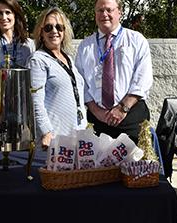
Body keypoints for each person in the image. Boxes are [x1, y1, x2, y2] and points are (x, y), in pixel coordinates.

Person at [75, 0, 153, 144]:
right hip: (97, 120)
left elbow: (143, 79)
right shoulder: (85, 46)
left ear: (119, 12)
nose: (104, 14)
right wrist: (97, 112)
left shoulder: (136, 40)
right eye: (100, 10)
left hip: (131, 117)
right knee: (99, 166)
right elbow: (81, 84)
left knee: (135, 165)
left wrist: (122, 109)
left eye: (109, 10)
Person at [26, 7, 87, 152]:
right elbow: (35, 102)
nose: (54, 31)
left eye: (59, 27)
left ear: (64, 31)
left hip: (76, 134)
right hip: (54, 139)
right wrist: (46, 132)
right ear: (41, 33)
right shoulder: (37, 60)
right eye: (48, 27)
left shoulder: (69, 59)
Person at [0, 0, 34, 68]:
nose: (4, 17)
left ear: (15, 15)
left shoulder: (29, 44)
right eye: (0, 13)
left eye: (8, 12)